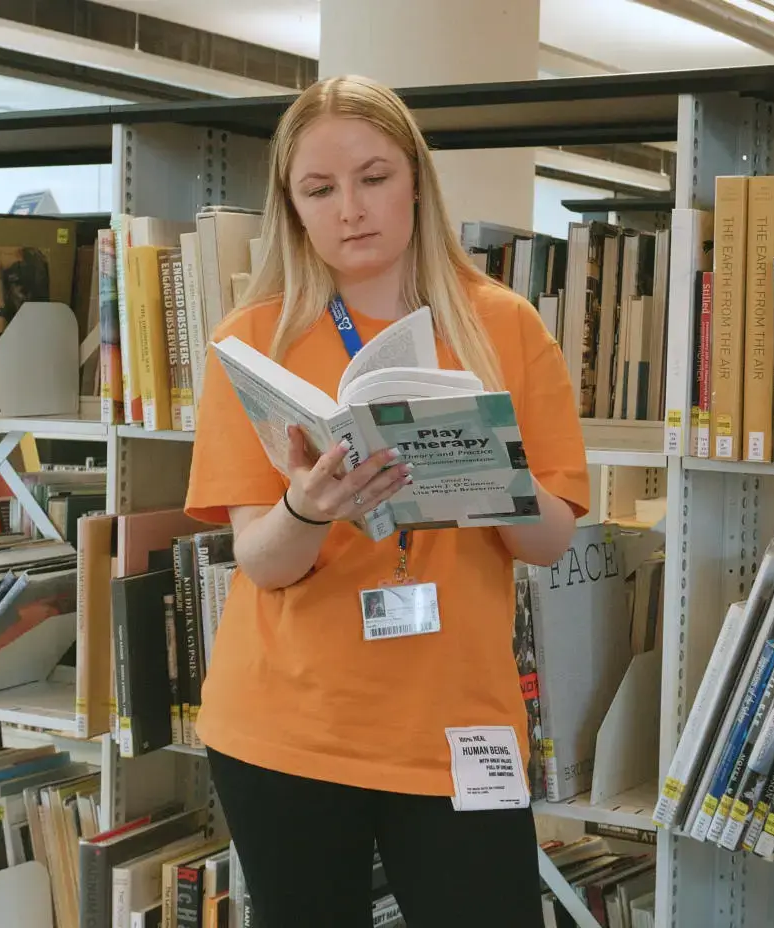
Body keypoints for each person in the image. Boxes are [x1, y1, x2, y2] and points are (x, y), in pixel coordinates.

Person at [185, 74, 589, 927]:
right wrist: (309, 507)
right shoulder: (250, 340)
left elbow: (551, 543)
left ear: (416, 179)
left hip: (456, 727)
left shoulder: (506, 326)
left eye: (374, 178)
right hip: (283, 726)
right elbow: (259, 561)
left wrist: (482, 474)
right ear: (292, 206)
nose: (350, 210)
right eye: (319, 189)